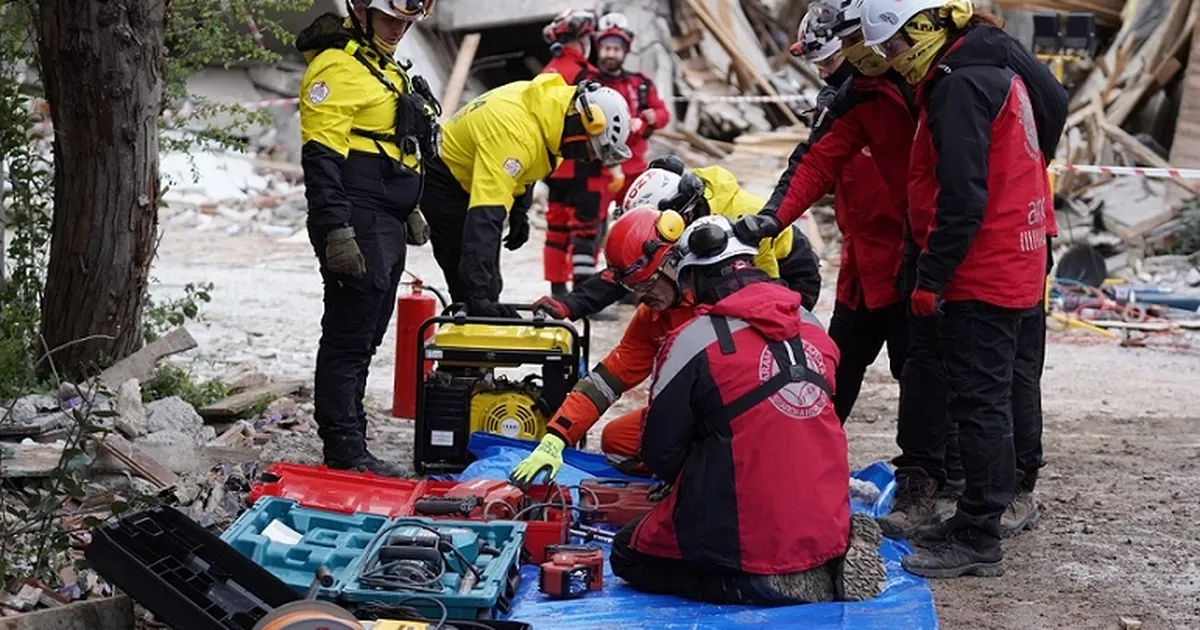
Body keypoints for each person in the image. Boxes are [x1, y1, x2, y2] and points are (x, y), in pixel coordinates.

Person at [861, 0, 1066, 577]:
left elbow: (963, 194)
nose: (891, 59)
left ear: (924, 29)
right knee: (989, 400)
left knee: (979, 405)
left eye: (895, 45)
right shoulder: (996, 71)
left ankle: (979, 534)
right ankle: (978, 515)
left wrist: (932, 276)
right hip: (1010, 258)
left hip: (983, 268)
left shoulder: (958, 87)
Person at [609, 215, 886, 604]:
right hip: (825, 517)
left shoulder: (692, 339)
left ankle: (758, 585)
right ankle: (828, 554)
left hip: (747, 531)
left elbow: (659, 451)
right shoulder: (812, 326)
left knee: (628, 554)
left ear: (693, 279)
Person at [296, 0, 441, 477]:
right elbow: (321, 161)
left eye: (406, 22)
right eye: (390, 19)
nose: (398, 29)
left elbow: (391, 140)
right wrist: (337, 231)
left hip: (384, 217)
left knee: (368, 334)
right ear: (360, 11)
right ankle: (344, 450)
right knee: (348, 338)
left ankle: (352, 434)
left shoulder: (380, 63)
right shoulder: (336, 67)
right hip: (357, 216)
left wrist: (409, 206)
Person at [510, 207, 696, 482]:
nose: (642, 297)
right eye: (635, 289)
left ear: (672, 262)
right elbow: (607, 379)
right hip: (689, 412)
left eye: (647, 284)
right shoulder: (652, 318)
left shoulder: (717, 299)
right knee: (617, 441)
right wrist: (557, 436)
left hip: (732, 413)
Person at [421, 75, 632, 317]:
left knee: (487, 282)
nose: (587, 158)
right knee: (469, 280)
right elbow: (485, 219)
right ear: (584, 122)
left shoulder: (553, 117)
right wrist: (479, 295)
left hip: (474, 170)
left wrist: (520, 208)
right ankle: (469, 325)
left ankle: (477, 318)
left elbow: (532, 163)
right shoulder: (515, 134)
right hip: (444, 177)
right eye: (589, 149)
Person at [532, 156, 822, 320]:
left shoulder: (739, 219)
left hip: (789, 272)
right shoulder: (682, 219)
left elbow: (764, 290)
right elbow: (629, 271)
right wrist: (572, 304)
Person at [793, 14, 908, 424]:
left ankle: (934, 467)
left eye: (828, 65)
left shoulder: (897, 100)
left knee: (917, 374)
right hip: (860, 265)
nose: (826, 76)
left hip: (902, 263)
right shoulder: (845, 109)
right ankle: (810, 448)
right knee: (839, 366)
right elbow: (814, 173)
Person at [539, 10, 610, 303]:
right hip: (583, 164)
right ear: (582, 39)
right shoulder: (586, 75)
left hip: (551, 165)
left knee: (556, 229)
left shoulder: (545, 73)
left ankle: (557, 290)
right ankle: (583, 295)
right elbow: (600, 123)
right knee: (585, 230)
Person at [591, 13, 671, 215]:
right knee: (592, 225)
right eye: (607, 48)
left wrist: (652, 117)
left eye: (616, 49)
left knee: (634, 219)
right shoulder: (588, 83)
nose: (611, 54)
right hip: (597, 170)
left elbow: (663, 114)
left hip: (634, 169)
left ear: (625, 52)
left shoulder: (640, 84)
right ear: (599, 50)